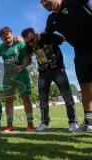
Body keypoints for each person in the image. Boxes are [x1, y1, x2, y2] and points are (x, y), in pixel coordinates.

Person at [40, 0, 92, 132]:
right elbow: (45, 34)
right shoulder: (51, 19)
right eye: (41, 2)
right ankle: (89, 123)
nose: (44, 3)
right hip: (80, 51)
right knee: (85, 86)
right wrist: (25, 39)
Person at [21, 27, 78, 132]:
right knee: (42, 99)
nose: (30, 44)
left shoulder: (47, 36)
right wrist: (18, 41)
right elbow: (21, 51)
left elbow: (63, 39)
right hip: (43, 73)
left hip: (58, 70)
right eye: (27, 42)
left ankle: (73, 123)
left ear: (35, 34)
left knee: (67, 96)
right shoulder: (28, 46)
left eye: (32, 40)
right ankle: (44, 123)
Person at [0, 26, 34, 132]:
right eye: (4, 39)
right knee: (8, 100)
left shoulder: (20, 43)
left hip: (22, 75)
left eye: (9, 37)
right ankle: (9, 125)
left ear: (12, 34)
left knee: (26, 98)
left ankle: (30, 124)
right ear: (1, 39)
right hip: (8, 77)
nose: (7, 40)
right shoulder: (0, 48)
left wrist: (21, 66)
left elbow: (29, 60)